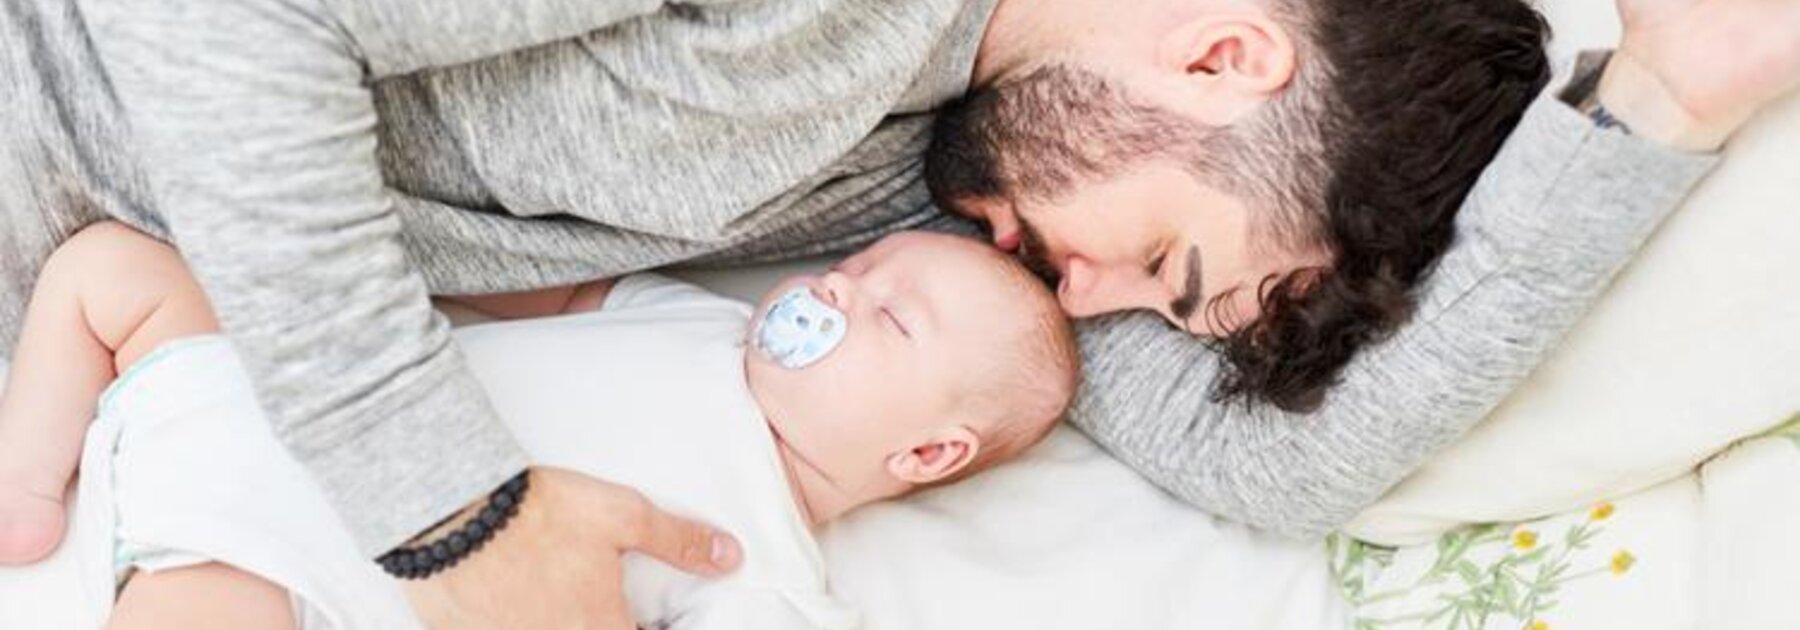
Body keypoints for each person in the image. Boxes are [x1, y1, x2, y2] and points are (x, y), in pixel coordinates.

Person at [0, 0, 1793, 625]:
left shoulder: (950, 194)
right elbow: (202, 12)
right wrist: (454, 516)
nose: (1090, 311)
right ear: (1227, 58)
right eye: (1160, 271)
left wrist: (1659, 108)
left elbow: (1283, 477)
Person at [3, 224, 1078, 628]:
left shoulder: (762, 572)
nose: (831, 293)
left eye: (885, 315)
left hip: (288, 553)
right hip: (272, 390)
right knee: (114, 265)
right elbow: (549, 294)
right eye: (850, 269)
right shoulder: (696, 321)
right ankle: (22, 482)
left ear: (927, 452)